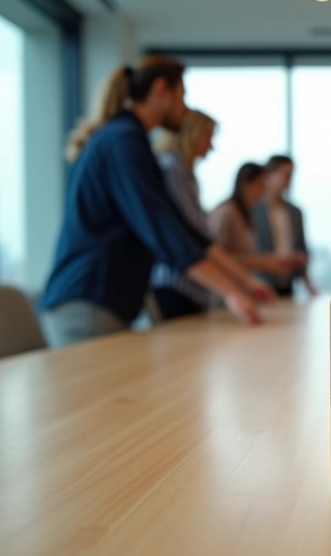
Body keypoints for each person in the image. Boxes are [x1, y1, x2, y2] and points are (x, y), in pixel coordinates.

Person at [39, 56, 271, 347]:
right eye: (182, 96)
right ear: (161, 89)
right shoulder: (122, 142)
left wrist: (244, 282)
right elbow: (164, 233)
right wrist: (231, 292)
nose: (185, 109)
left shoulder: (131, 141)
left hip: (101, 306)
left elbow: (185, 231)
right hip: (87, 304)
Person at [149, 110, 272, 321]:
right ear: (192, 134)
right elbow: (196, 240)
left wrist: (243, 283)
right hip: (176, 288)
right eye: (208, 137)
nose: (211, 146)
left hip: (189, 290)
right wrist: (238, 286)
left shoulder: (183, 173)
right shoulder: (173, 169)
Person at [212, 163, 307, 282]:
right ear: (246, 185)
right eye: (260, 186)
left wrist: (267, 262)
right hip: (223, 291)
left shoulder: (247, 214)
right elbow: (212, 257)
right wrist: (264, 262)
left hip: (239, 288)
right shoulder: (227, 212)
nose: (263, 192)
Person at [253, 155, 318, 298]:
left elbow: (302, 248)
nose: (289, 180)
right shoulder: (253, 210)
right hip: (259, 286)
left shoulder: (296, 212)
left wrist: (309, 286)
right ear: (269, 175)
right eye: (286, 175)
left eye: (292, 176)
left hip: (288, 287)